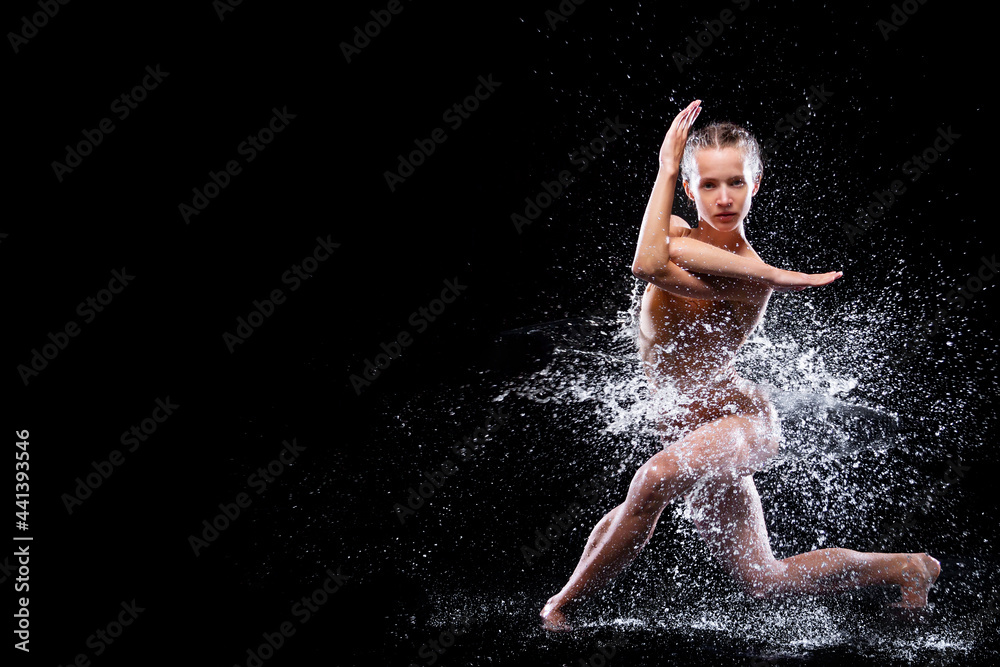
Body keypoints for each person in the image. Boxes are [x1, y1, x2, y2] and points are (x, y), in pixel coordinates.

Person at [539, 99, 940, 632]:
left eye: (735, 182)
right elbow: (648, 260)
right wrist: (665, 168)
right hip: (690, 425)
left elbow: (652, 262)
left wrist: (771, 273)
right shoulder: (679, 234)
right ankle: (908, 567)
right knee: (763, 580)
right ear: (688, 190)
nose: (723, 198)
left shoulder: (749, 273)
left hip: (741, 420)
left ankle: (559, 608)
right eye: (708, 184)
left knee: (654, 478)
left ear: (756, 184)